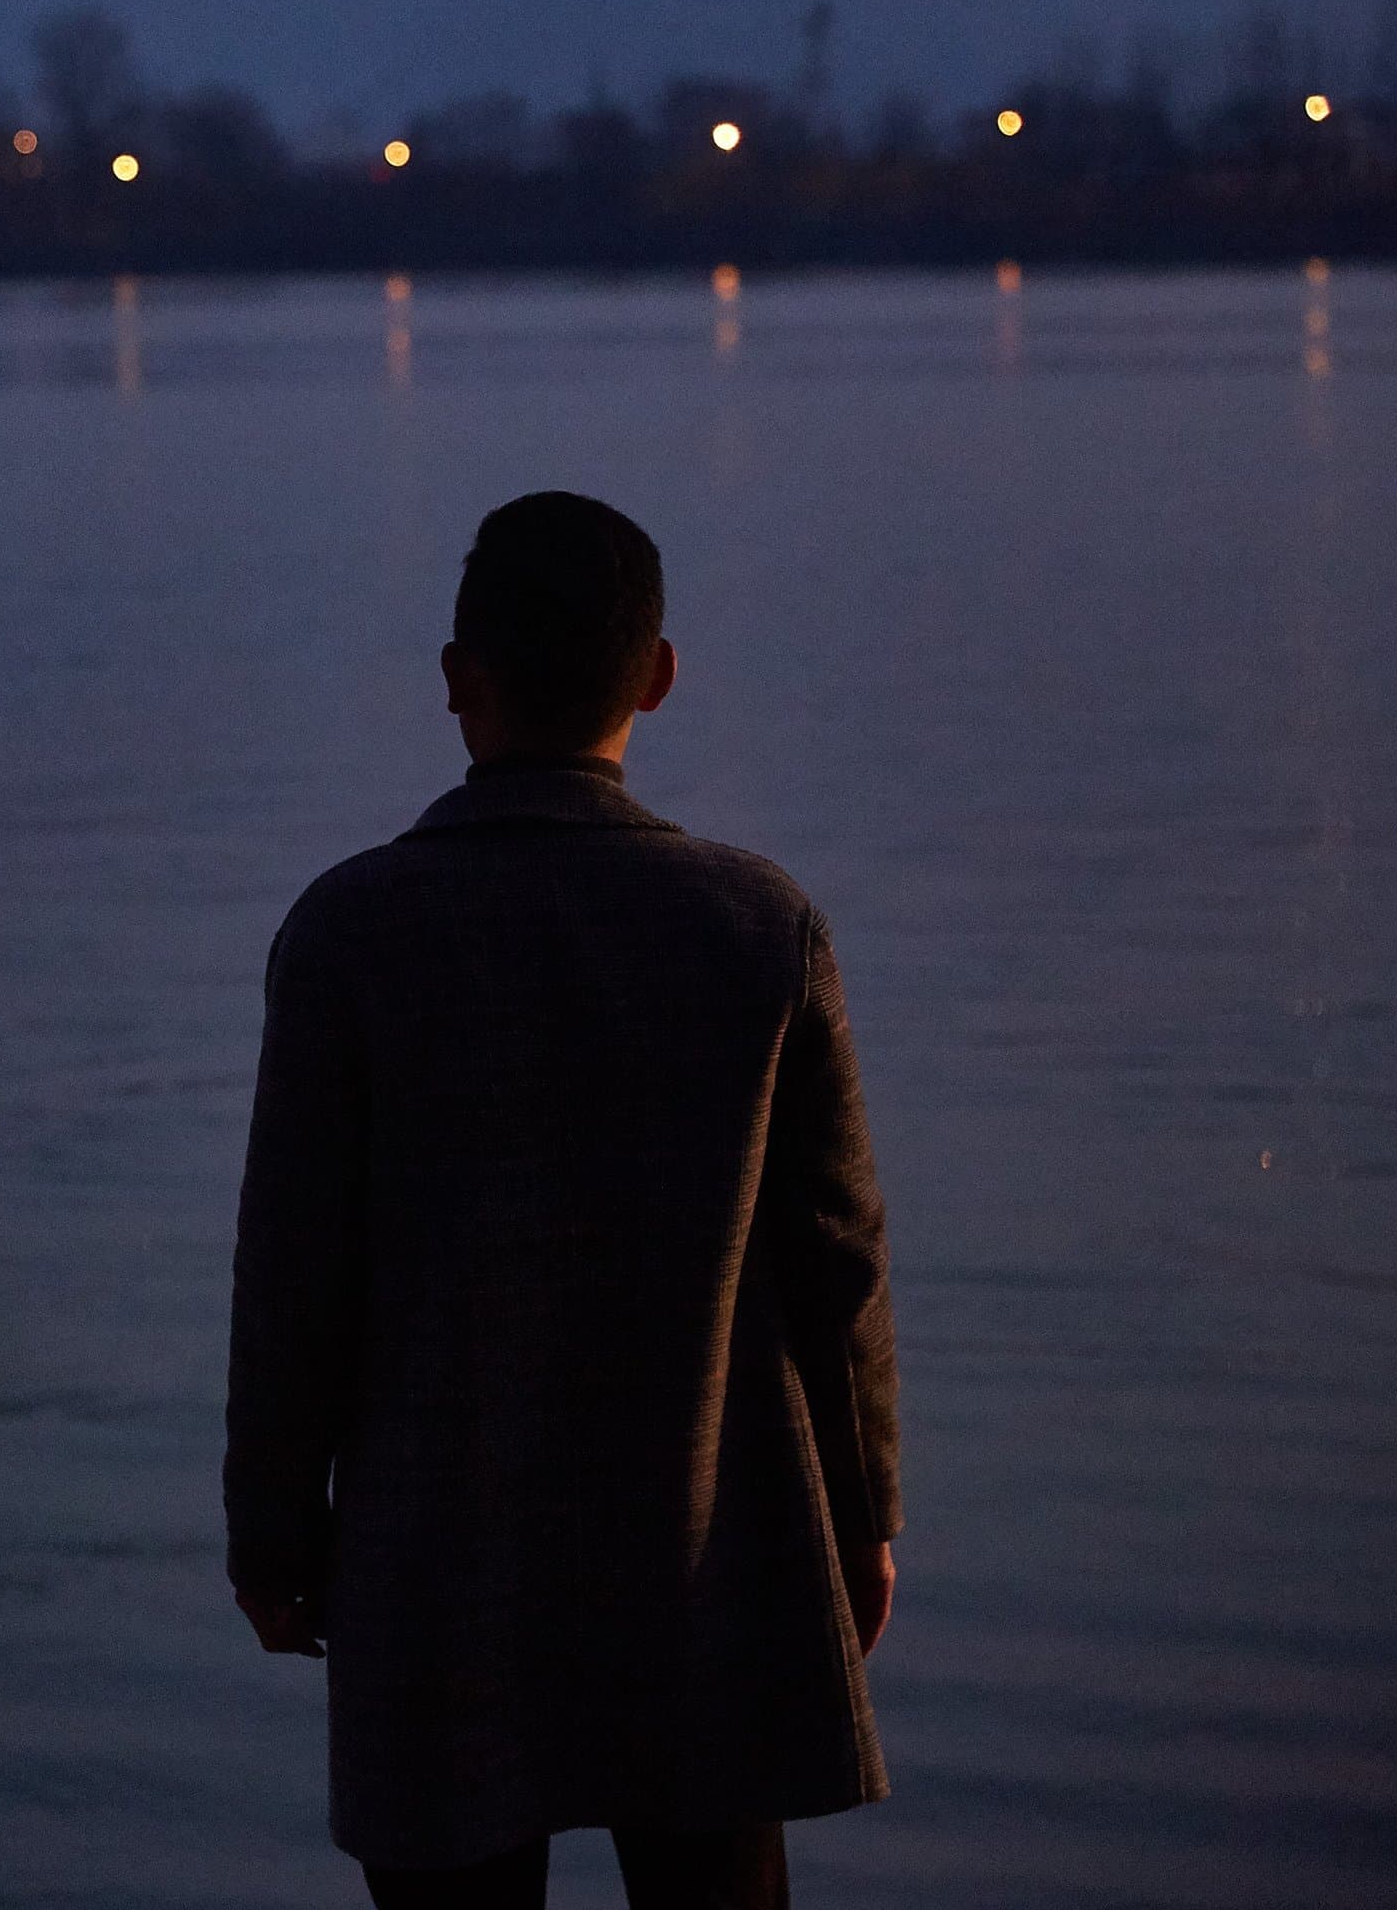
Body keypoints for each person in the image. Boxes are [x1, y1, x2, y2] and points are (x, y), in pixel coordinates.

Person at [225, 493, 900, 1910]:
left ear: (459, 680)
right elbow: (836, 1263)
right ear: (656, 676)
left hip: (433, 1581)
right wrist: (861, 1511)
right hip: (705, 1565)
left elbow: (296, 1278)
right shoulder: (760, 930)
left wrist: (275, 1535)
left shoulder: (349, 935)